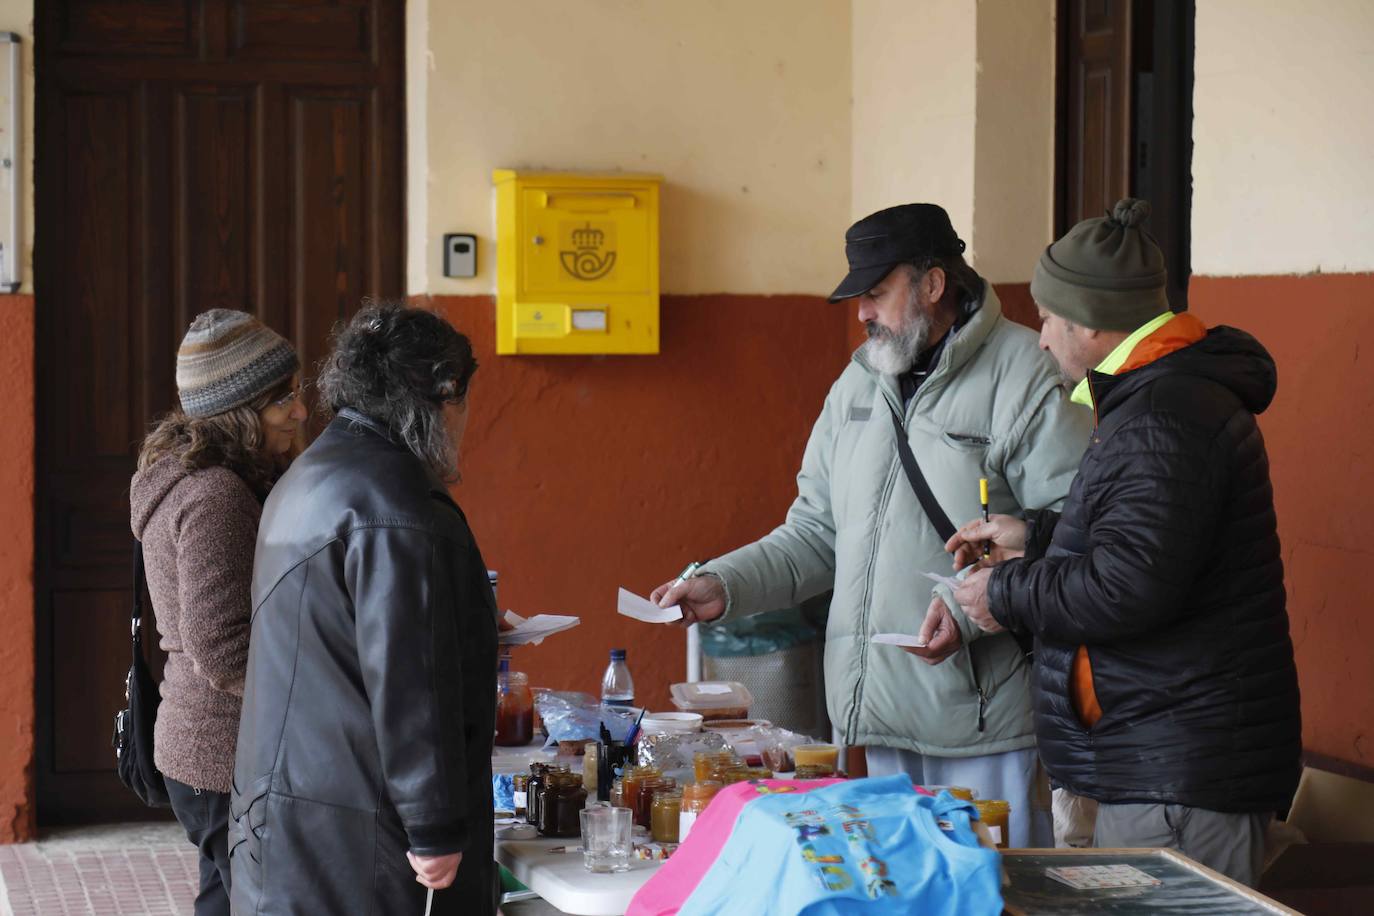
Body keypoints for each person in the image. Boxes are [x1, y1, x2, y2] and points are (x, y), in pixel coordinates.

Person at [652, 204, 1091, 847]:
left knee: (996, 897)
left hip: (982, 721)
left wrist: (967, 613)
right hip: (878, 718)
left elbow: (1071, 535)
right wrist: (726, 584)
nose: (861, 313)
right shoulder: (857, 384)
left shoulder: (1025, 374)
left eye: (875, 293)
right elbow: (814, 532)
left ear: (933, 285)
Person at [945, 198, 1301, 885]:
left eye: (1048, 318)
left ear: (1092, 322)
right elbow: (1147, 547)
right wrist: (1037, 536)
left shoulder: (1163, 417)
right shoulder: (1159, 398)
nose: (1041, 338)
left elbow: (1128, 587)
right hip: (1164, 753)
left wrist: (1006, 590)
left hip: (1176, 771)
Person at [229, 305, 498, 915]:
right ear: (443, 394)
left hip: (291, 813)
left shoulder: (313, 471)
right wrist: (433, 828)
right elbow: (409, 680)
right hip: (360, 836)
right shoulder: (394, 504)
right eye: (460, 403)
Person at [130, 309, 305, 916]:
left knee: (223, 903)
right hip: (223, 756)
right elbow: (224, 646)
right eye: (283, 399)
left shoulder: (198, 477)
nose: (300, 411)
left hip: (204, 752)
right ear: (240, 412)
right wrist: (323, 694)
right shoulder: (216, 496)